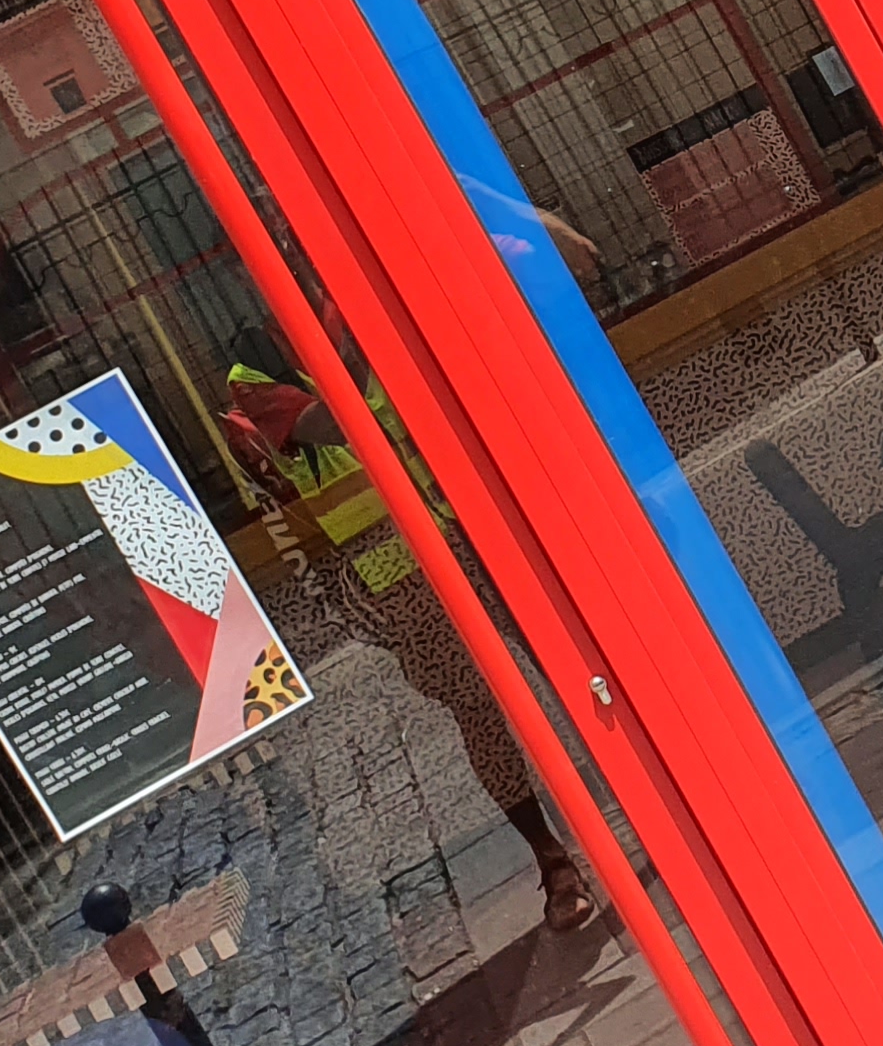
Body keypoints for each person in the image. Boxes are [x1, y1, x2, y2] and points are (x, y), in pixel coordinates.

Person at [214, 344, 596, 933]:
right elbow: (335, 423)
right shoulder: (254, 378)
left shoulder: (346, 316)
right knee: (476, 709)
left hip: (478, 520)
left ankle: (641, 791)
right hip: (399, 569)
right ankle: (551, 856)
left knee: (568, 658)